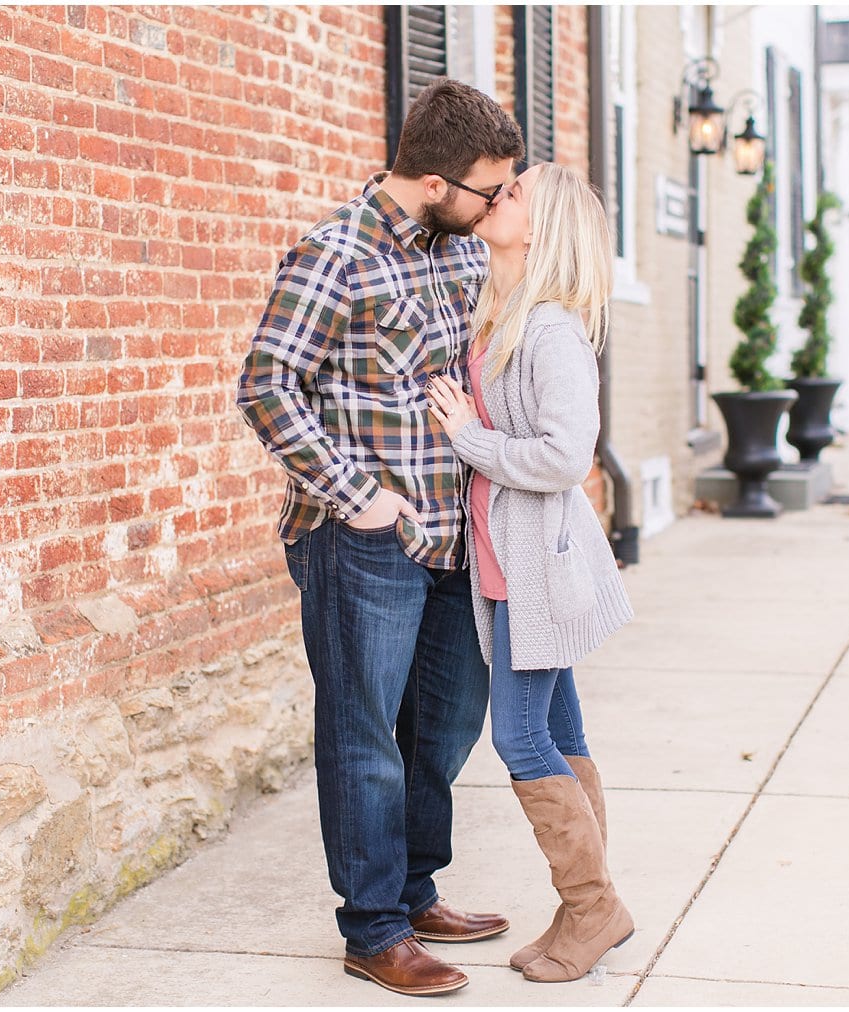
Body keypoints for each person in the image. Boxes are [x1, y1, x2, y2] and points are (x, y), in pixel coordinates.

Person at [235, 79, 525, 997]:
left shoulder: (457, 254)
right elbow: (266, 384)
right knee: (362, 734)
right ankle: (372, 929)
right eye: (489, 189)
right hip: (362, 542)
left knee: (441, 729)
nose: (496, 206)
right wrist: (355, 494)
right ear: (436, 180)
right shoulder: (336, 253)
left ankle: (411, 889)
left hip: (452, 535)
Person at [425, 162, 635, 984]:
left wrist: (467, 436)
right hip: (512, 557)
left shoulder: (549, 330)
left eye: (513, 194)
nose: (495, 196)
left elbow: (563, 455)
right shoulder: (503, 314)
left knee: (518, 736)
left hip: (536, 566)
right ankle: (588, 907)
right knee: (562, 734)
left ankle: (591, 907)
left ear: (542, 228)